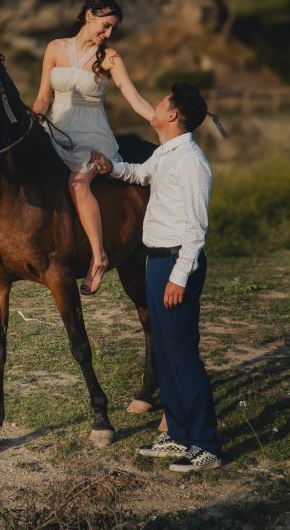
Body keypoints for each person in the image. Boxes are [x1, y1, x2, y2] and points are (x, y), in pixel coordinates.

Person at [90, 83, 222, 472]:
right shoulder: (165, 153)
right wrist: (111, 167)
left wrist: (179, 278)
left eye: (162, 103)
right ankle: (178, 434)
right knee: (164, 355)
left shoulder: (191, 162)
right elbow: (140, 173)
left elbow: (196, 227)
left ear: (172, 115)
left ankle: (206, 444)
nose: (156, 106)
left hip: (178, 263)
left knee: (183, 356)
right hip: (157, 263)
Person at [31, 0, 154, 295]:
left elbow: (134, 99)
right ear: (89, 16)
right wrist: (33, 120)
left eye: (113, 29)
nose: (108, 33)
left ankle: (98, 257)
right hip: (56, 127)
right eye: (106, 25)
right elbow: (44, 96)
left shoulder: (110, 58)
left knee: (77, 183)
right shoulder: (55, 47)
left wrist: (162, 121)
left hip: (91, 134)